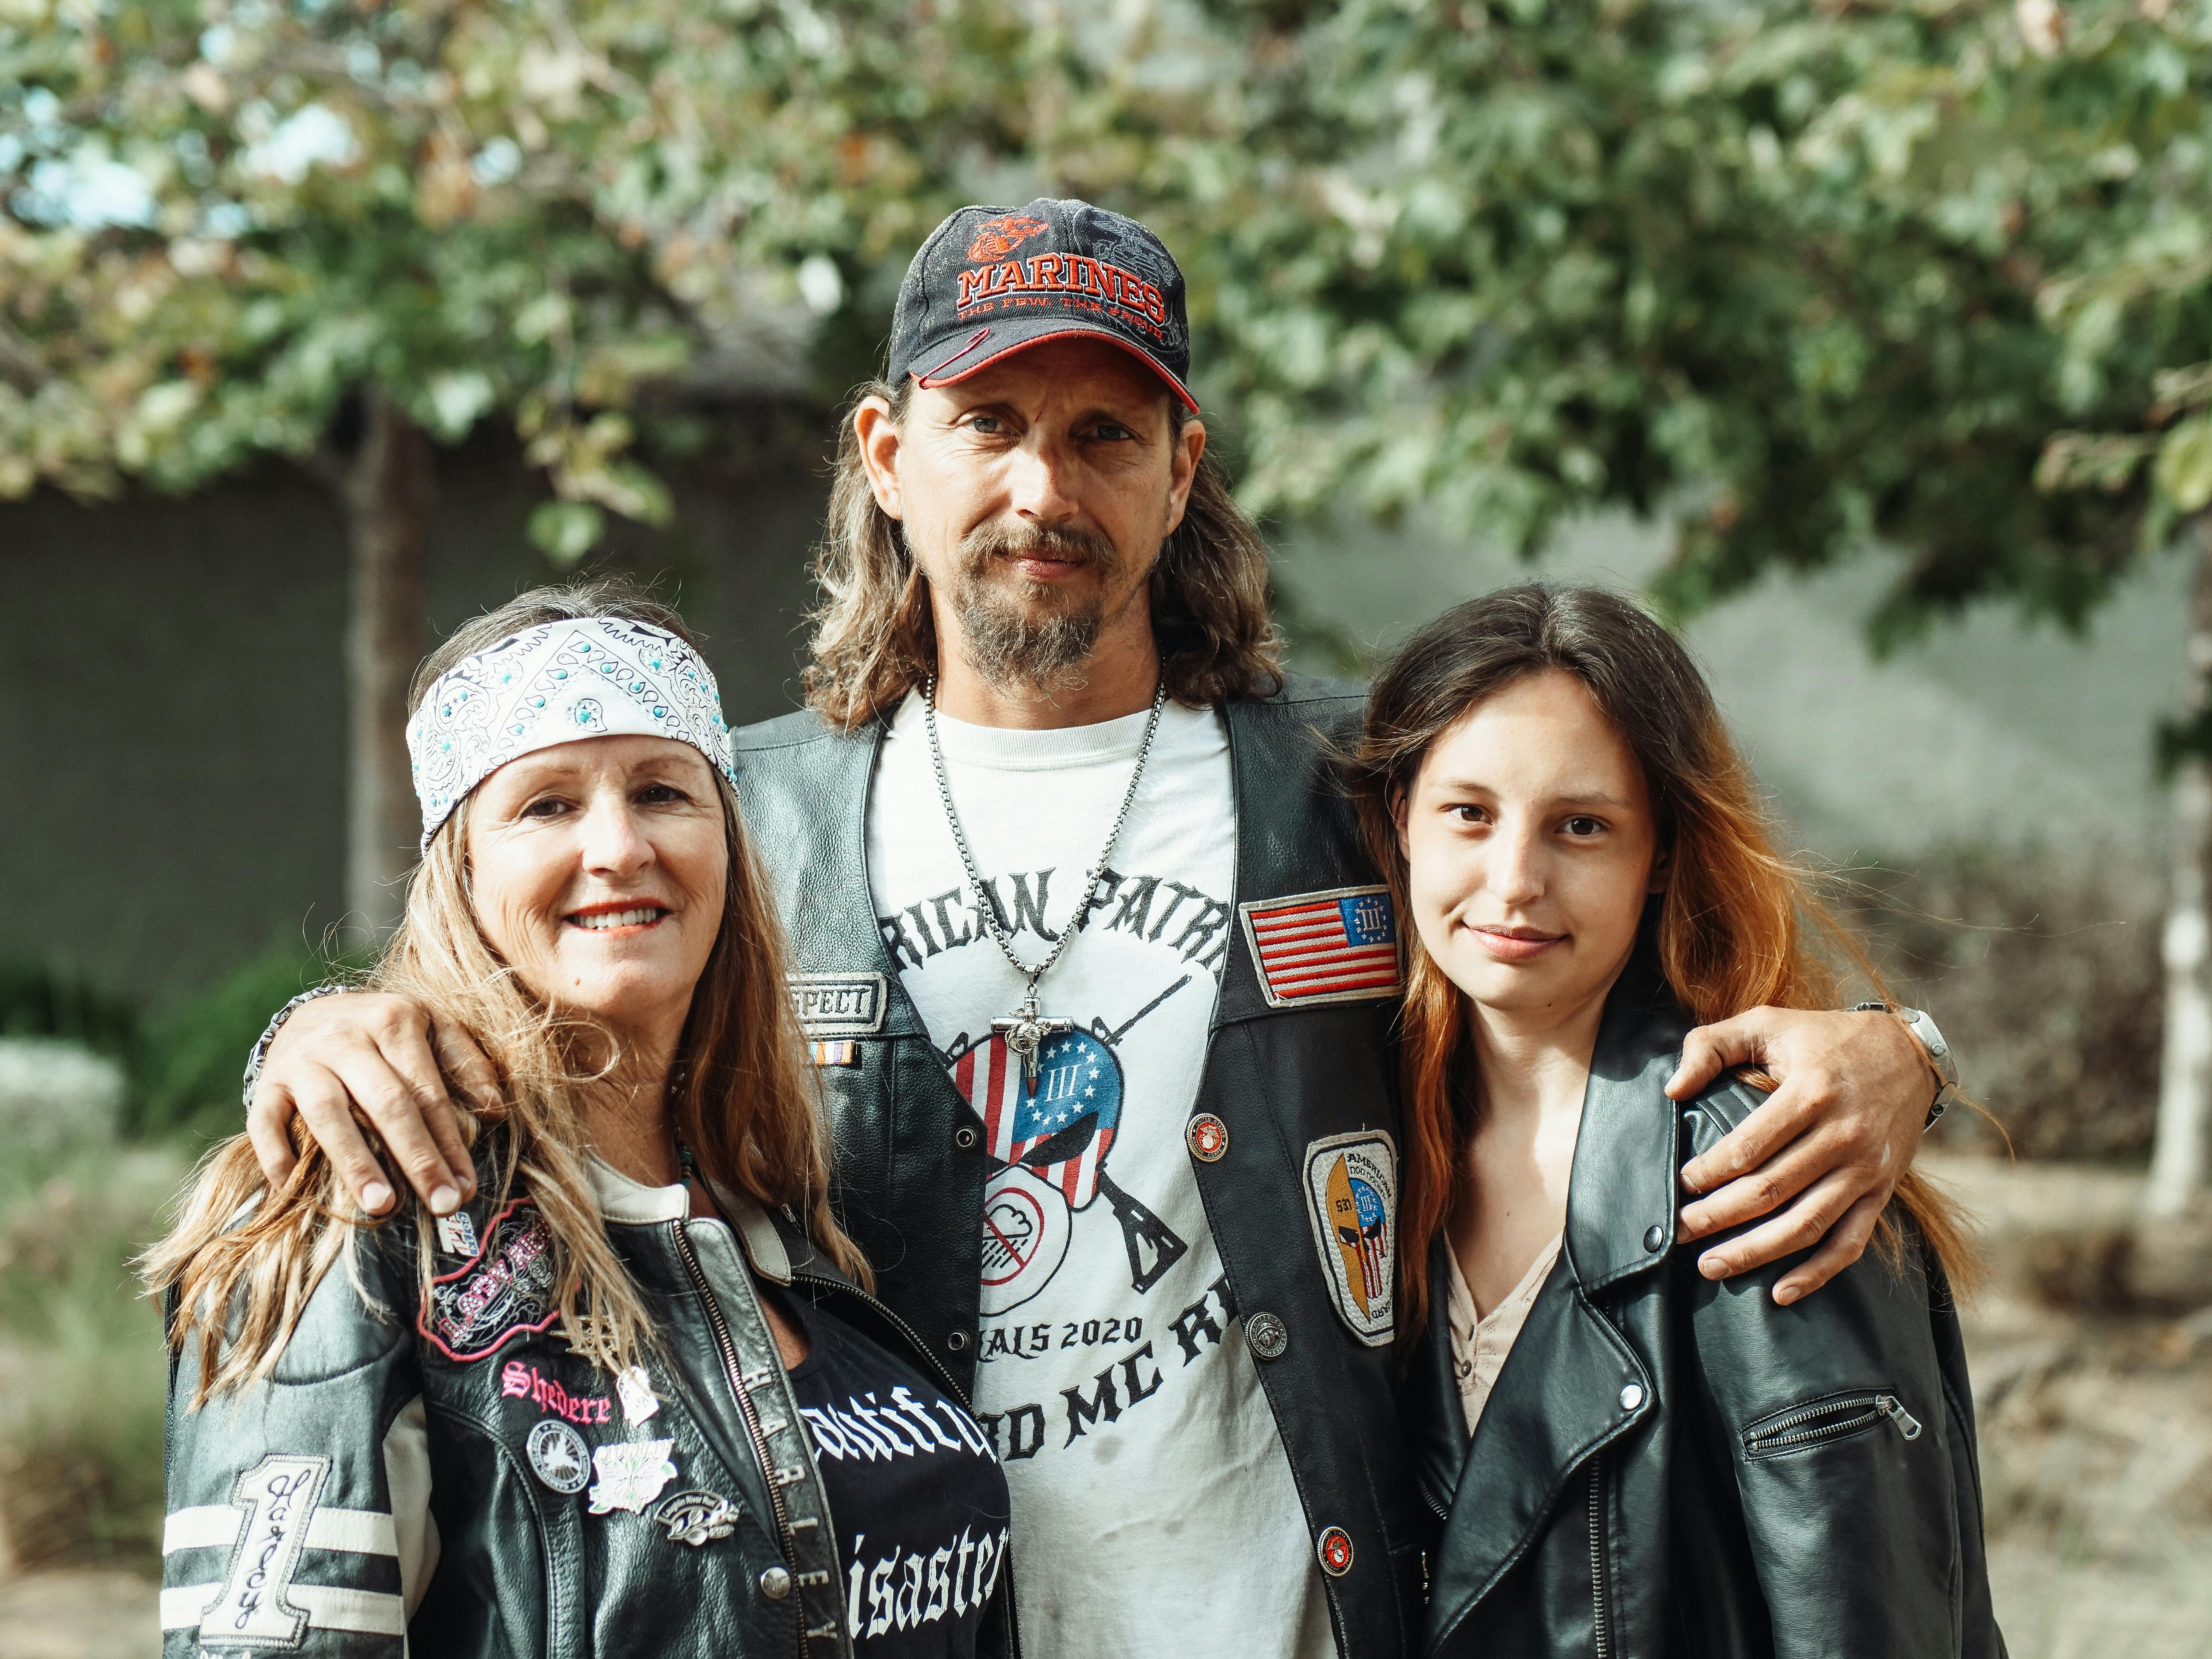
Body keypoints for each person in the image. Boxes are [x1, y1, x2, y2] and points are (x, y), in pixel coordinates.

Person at [239, 200, 1957, 1656]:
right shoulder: (740, 827)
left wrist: (1900, 1055)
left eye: (1103, 434)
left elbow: (1606, 974)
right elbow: (499, 1031)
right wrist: (312, 1028)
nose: (1042, 486)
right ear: (887, 451)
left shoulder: (1352, 789)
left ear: (1179, 467)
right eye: (990, 423)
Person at [150, 593, 1013, 1658]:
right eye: (546, 806)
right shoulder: (361, 1212)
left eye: (662, 792)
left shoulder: (790, 1205)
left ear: (731, 849)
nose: (619, 847)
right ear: (460, 868)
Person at [1350, 585, 2000, 1656]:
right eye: (1470, 812)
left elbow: (1862, 1617)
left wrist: (1907, 1053)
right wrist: (1912, 1045)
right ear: (1399, 825)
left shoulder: (1770, 1161)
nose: (1515, 882)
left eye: (1582, 827)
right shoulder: (1358, 1130)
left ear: (1658, 859)